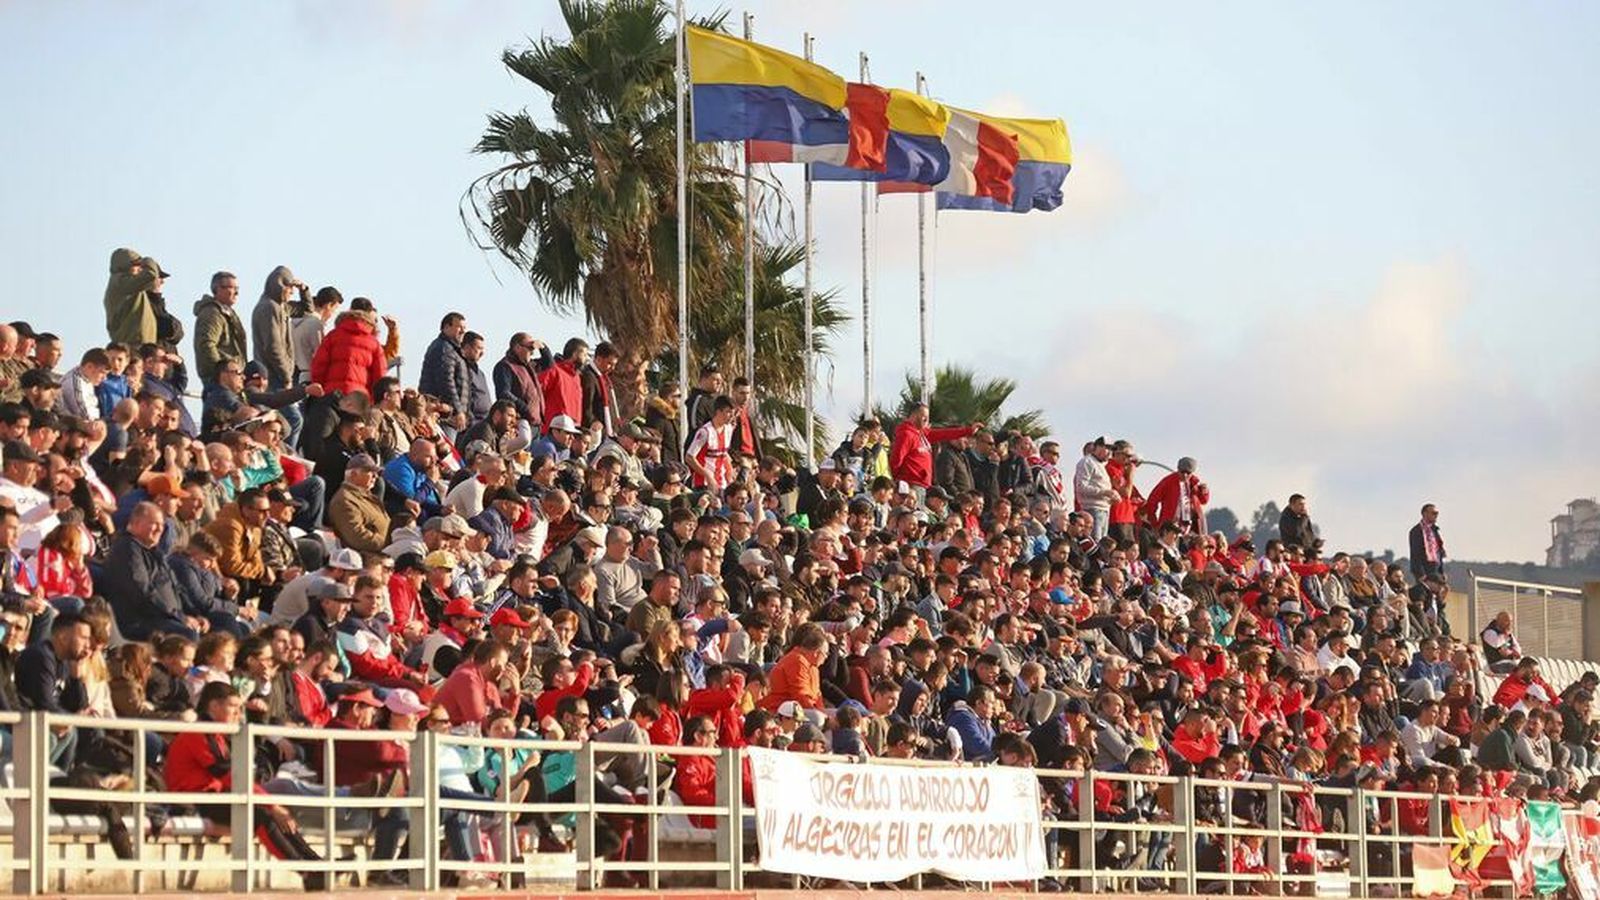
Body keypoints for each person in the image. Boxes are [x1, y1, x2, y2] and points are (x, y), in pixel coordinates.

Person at [889, 404, 979, 495]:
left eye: (927, 417)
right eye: (924, 416)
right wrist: (898, 481)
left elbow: (945, 434)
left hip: (923, 485)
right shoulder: (906, 434)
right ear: (914, 415)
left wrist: (968, 431)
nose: (926, 420)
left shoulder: (923, 434)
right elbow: (896, 459)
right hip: (911, 484)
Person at [192, 271, 248, 388]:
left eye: (236, 288)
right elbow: (206, 344)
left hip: (231, 377)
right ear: (218, 289)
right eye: (231, 287)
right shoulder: (212, 313)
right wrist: (222, 372)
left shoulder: (227, 313)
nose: (236, 292)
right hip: (219, 380)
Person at [419, 312, 471, 435]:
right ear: (446, 327)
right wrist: (457, 411)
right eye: (459, 327)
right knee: (446, 451)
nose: (463, 332)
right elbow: (446, 382)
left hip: (452, 415)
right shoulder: (443, 349)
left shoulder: (453, 350)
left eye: (464, 328)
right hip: (444, 415)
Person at [103, 248, 167, 346]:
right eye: (136, 265)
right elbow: (150, 275)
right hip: (132, 344)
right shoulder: (120, 282)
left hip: (139, 344)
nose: (139, 269)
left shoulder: (129, 286)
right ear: (125, 266)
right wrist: (147, 260)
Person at [492, 332, 550, 432]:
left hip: (536, 425)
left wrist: (542, 347)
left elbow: (549, 364)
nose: (532, 353)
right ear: (517, 347)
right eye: (530, 348)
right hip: (519, 424)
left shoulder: (529, 366)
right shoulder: (505, 366)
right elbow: (503, 393)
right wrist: (524, 408)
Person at [1145, 457, 1209, 534]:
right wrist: (1155, 524)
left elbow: (1204, 501)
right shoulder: (1168, 482)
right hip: (1171, 526)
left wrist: (1205, 492)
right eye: (1182, 472)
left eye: (1188, 473)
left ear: (1192, 472)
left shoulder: (1195, 483)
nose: (1185, 475)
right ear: (1178, 469)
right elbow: (1152, 501)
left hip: (1193, 527)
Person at [1073, 438, 1117, 541]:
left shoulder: (1100, 465)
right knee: (1095, 541)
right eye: (1108, 449)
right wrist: (1105, 492)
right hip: (1092, 509)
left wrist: (1110, 497)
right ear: (1098, 447)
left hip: (1103, 509)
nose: (1110, 453)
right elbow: (1081, 487)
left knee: (1102, 542)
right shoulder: (1087, 462)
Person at [538, 338, 587, 430]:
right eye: (584, 354)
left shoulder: (577, 378)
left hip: (572, 431)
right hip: (554, 430)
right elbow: (536, 392)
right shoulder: (554, 371)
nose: (586, 358)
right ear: (575, 354)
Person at [1409, 503, 1446, 582]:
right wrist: (1420, 574)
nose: (1436, 515)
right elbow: (1415, 554)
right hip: (1424, 571)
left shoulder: (1435, 530)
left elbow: (1438, 552)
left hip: (1436, 570)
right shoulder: (1417, 531)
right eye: (1434, 513)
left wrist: (1442, 572)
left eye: (1437, 513)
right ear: (1425, 513)